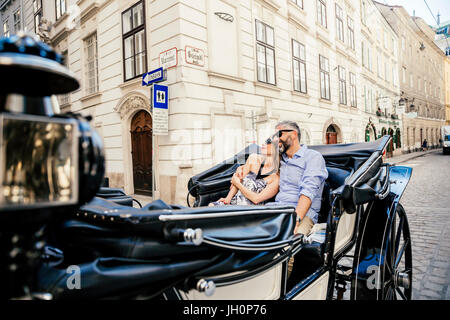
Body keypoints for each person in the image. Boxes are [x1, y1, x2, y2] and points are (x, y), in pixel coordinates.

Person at [236, 120, 328, 236]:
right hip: (277, 209)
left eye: (279, 135)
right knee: (243, 230)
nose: (276, 140)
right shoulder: (281, 158)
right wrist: (241, 168)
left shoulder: (313, 157)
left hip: (301, 214)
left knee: (287, 242)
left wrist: (296, 219)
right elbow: (257, 159)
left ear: (294, 134)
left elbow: (308, 191)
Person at [209, 137, 280, 206]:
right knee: (212, 206)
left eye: (268, 141)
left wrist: (237, 184)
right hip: (235, 202)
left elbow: (256, 199)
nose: (263, 144)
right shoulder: (254, 159)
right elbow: (239, 178)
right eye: (265, 141)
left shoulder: (276, 179)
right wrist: (228, 198)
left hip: (249, 209)